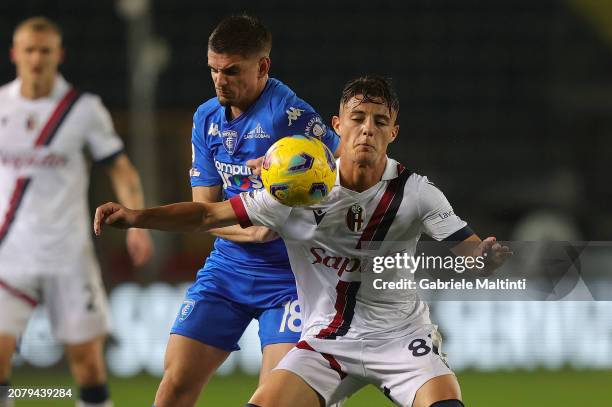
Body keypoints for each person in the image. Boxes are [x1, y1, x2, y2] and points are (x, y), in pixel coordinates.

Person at [93, 76, 511, 407]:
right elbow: (206, 213)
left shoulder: (417, 193)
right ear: (337, 125)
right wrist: (137, 217)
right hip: (326, 343)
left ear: (394, 132)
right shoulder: (297, 188)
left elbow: (472, 252)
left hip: (401, 339)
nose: (367, 129)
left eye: (379, 121)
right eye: (358, 118)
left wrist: (485, 259)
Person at [150, 14, 340, 407]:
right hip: (228, 270)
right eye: (214, 70)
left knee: (275, 398)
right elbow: (204, 210)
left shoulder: (291, 116)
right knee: (173, 385)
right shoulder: (206, 118)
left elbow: (346, 174)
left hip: (292, 278)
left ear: (263, 66)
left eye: (232, 71)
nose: (221, 80)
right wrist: (249, 232)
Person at [0, 17, 153, 407]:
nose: (36, 59)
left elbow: (120, 167)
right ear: (15, 54)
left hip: (68, 255)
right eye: (29, 50)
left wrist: (137, 222)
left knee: (87, 366)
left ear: (58, 55)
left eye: (45, 51)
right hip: (9, 254)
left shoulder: (82, 109)